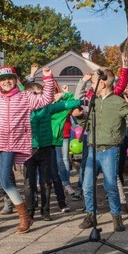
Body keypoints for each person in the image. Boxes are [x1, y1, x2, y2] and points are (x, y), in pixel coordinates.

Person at [0, 65, 54, 233]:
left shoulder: (25, 97)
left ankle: (24, 217)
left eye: (10, 78)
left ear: (15, 80)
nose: (6, 82)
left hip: (11, 143)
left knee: (6, 180)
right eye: (2, 80)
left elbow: (46, 99)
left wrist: (48, 79)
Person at [78, 68, 128, 232]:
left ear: (103, 83)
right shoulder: (95, 102)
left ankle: (116, 216)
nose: (92, 85)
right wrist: (79, 116)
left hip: (110, 149)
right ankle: (91, 214)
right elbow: (89, 123)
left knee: (111, 185)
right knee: (87, 185)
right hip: (92, 148)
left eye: (93, 82)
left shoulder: (117, 102)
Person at [25, 82, 81, 220]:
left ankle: (45, 211)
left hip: (46, 148)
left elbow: (69, 103)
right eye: (34, 94)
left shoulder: (48, 108)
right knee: (29, 183)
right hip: (28, 149)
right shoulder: (23, 109)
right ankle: (29, 211)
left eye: (40, 93)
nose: (38, 97)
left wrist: (68, 95)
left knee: (46, 182)